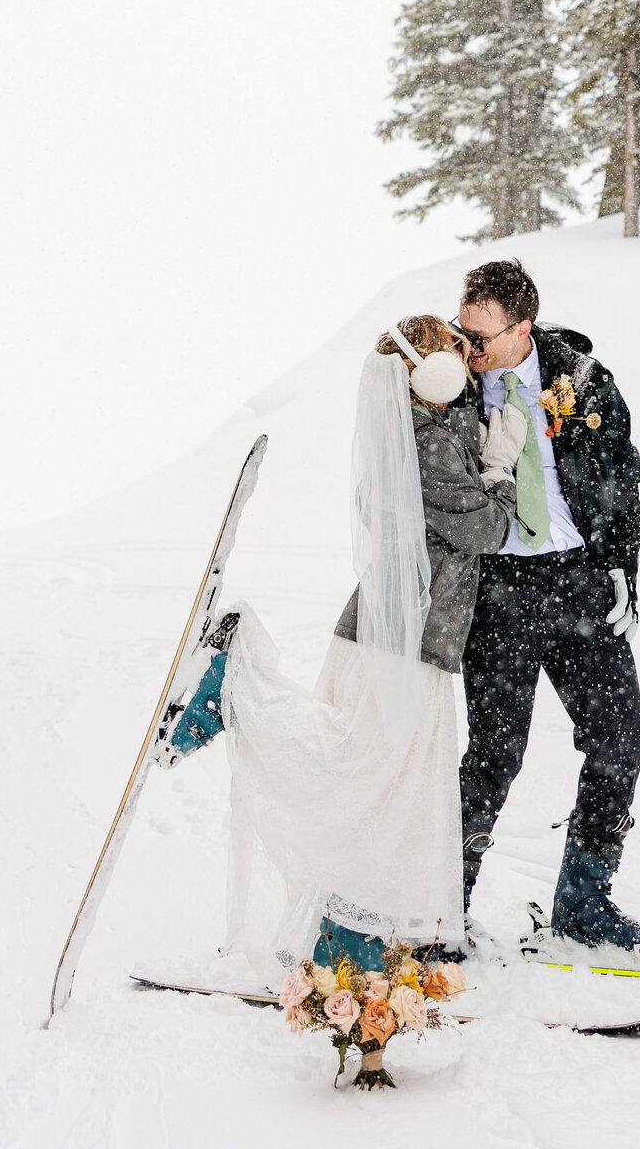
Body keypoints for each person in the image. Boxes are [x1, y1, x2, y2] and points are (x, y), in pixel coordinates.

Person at [163, 314, 527, 982]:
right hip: (402, 643)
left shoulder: (423, 428)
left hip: (396, 636)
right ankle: (237, 677)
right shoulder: (424, 440)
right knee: (370, 787)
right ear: (424, 370)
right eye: (453, 348)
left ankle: (347, 931)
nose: (466, 359)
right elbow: (487, 529)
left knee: (374, 790)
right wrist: (502, 467)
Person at [454, 258, 640, 955]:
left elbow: (622, 479)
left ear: (523, 329)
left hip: (576, 586)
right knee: (493, 757)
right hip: (498, 593)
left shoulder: (584, 381)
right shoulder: (449, 389)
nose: (468, 347)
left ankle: (583, 901)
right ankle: (442, 905)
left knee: (621, 741)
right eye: (462, 330)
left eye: (481, 337)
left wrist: (622, 568)